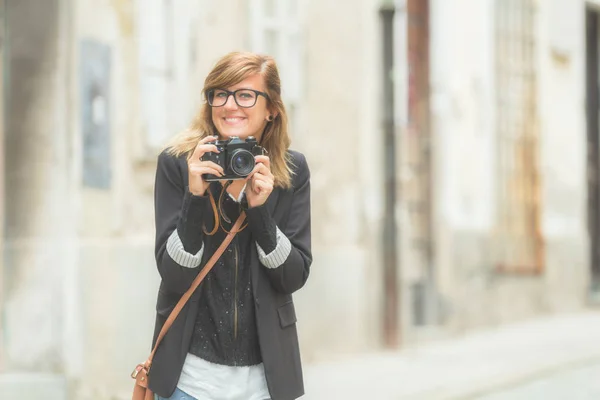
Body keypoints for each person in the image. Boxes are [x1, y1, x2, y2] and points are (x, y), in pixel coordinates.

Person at [149, 51, 312, 400]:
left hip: (265, 383)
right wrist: (194, 198)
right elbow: (174, 276)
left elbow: (293, 277)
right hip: (189, 379)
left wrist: (260, 212)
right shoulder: (178, 164)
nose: (230, 105)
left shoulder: (291, 172)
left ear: (272, 108)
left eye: (245, 95)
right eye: (220, 94)